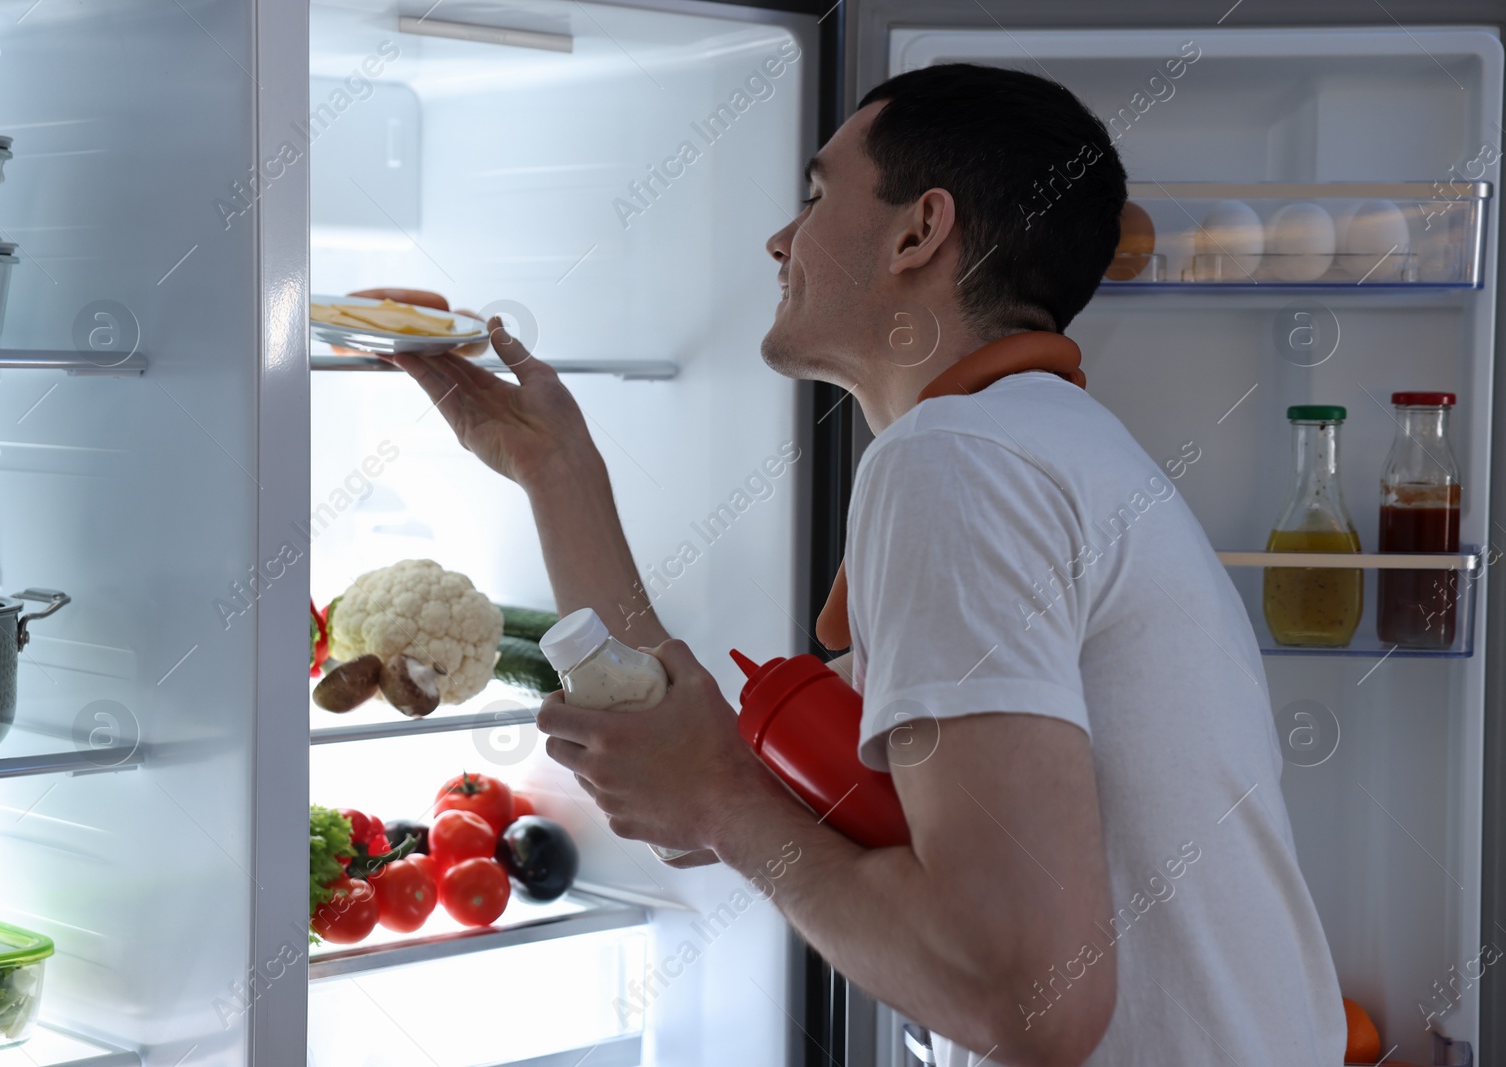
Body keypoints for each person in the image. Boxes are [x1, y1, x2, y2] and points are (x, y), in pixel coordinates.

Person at [377, 63, 1344, 1067]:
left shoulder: (958, 463)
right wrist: (556, 469)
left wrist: (718, 798)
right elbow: (694, 778)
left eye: (813, 195)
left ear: (919, 231)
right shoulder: (1037, 445)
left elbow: (1032, 999)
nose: (780, 240)